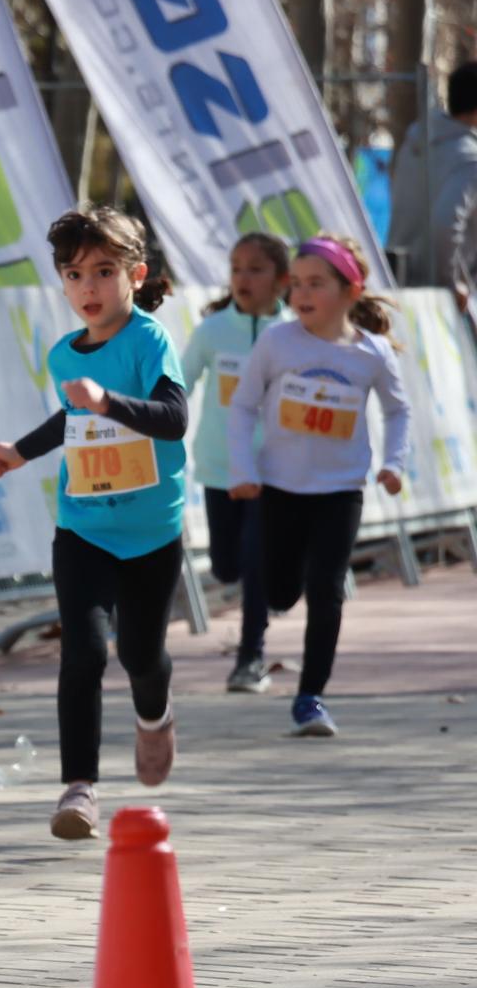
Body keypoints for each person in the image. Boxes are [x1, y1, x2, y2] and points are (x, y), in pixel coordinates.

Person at [0, 207, 189, 842]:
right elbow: (72, 420)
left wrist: (110, 403)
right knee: (85, 653)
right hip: (84, 528)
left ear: (135, 275)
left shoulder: (149, 340)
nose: (88, 288)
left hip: (152, 531)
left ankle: (155, 717)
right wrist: (18, 452)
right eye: (74, 275)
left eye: (103, 271)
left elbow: (174, 418)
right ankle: (80, 788)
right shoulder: (64, 353)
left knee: (143, 655)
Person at [227, 234, 411, 738]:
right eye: (297, 285)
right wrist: (242, 469)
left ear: (349, 292)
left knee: (326, 591)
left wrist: (394, 463)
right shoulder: (277, 343)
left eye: (317, 284)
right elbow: (242, 406)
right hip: (278, 488)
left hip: (340, 490)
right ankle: (281, 601)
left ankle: (311, 698)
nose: (302, 295)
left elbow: (398, 410)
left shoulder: (370, 354)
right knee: (281, 589)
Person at [179, 231, 291, 693]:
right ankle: (274, 579)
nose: (243, 278)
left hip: (272, 470)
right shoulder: (211, 331)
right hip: (218, 466)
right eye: (236, 268)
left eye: (256, 269)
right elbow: (178, 385)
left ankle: (250, 657)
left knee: (255, 559)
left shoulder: (293, 334)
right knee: (226, 565)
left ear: (282, 281)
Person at [387, 61, 477, 301]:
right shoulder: (470, 158)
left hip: (398, 277)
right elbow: (445, 223)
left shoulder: (417, 140)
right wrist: (450, 283)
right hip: (443, 298)